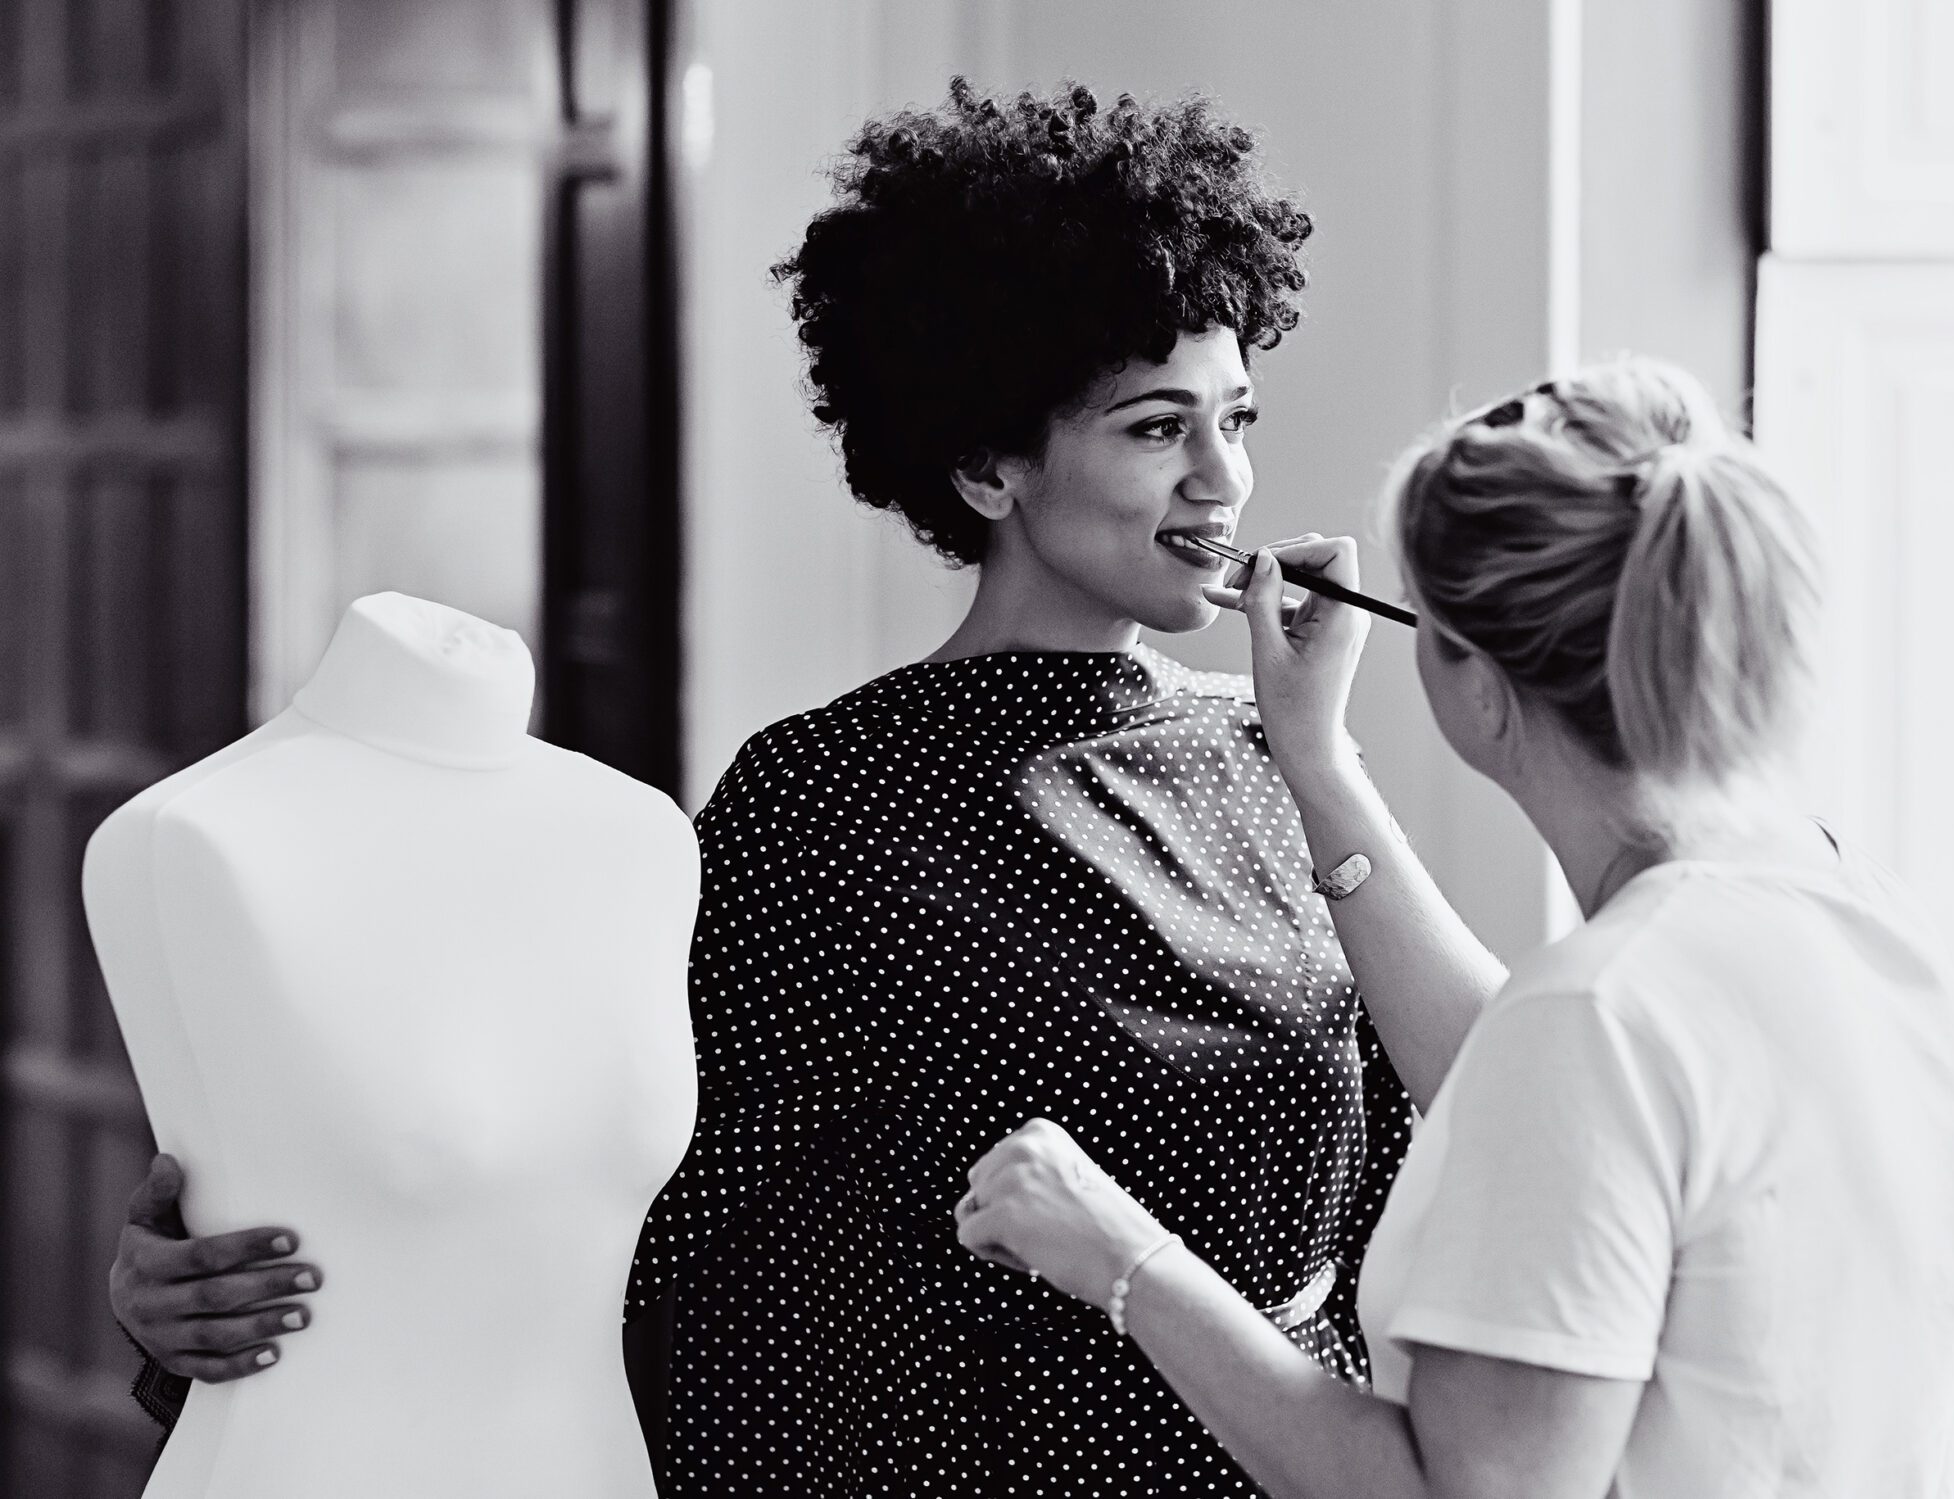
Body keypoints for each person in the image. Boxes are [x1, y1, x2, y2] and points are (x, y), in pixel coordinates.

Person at [110, 81, 1504, 1493]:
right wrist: (211, 1289)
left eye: (1236, 416)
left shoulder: (1284, 755)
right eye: (1157, 428)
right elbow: (625, 1213)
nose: (1226, 480)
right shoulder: (827, 800)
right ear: (985, 464)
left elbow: (1495, 1111)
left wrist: (1322, 760)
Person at [961, 359, 1954, 1498]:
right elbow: (1548, 1105)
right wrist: (1317, 758)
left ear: (1481, 689)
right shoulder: (1842, 902)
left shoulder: (1601, 1013)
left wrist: (1123, 1257)